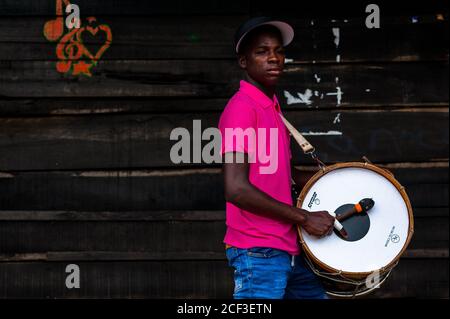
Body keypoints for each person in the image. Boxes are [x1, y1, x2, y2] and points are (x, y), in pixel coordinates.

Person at [218, 16, 335, 299]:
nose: (274, 58)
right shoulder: (242, 109)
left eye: (279, 51)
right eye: (262, 52)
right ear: (243, 61)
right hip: (258, 251)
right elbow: (236, 188)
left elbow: (280, 173)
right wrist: (304, 217)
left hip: (288, 247)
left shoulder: (271, 106)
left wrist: (342, 178)